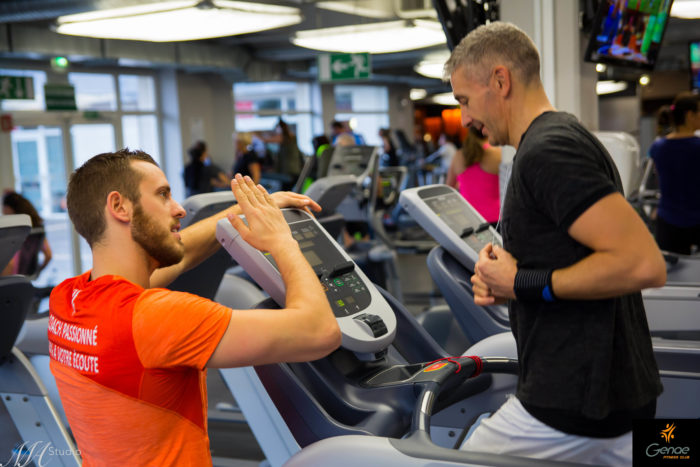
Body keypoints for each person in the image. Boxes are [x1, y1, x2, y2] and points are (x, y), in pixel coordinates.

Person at [445, 22, 666, 465]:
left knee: (450, 461)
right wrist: (509, 272)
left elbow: (642, 264)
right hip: (609, 398)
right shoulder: (561, 136)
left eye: (464, 100)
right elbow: (576, 250)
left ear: (500, 80)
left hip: (570, 405)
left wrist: (522, 281)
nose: (465, 119)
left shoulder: (549, 150)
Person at [48, 149, 341, 466]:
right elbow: (320, 331)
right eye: (163, 195)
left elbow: (181, 253)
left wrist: (245, 211)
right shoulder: (155, 317)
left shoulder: (66, 298)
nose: (178, 210)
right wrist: (282, 241)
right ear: (119, 206)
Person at [648, 92, 700, 255]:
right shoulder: (697, 147)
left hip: (668, 224)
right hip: (697, 221)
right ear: (690, 115)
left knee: (672, 277)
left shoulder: (657, 147)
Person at [446, 127, 502, 224]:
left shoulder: (458, 155)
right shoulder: (498, 154)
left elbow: (448, 189)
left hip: (467, 219)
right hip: (495, 220)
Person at [2, 191, 52, 277]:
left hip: (9, 279)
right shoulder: (37, 229)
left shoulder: (12, 231)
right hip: (26, 278)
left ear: (9, 208)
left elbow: (10, 263)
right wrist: (36, 272)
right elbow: (48, 255)